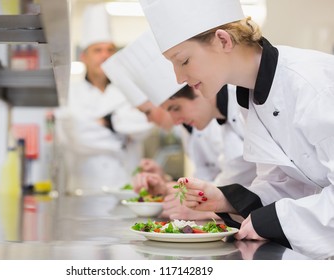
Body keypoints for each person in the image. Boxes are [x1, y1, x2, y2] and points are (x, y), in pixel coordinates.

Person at [139, 0, 334, 259]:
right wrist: (225, 199)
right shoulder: (251, 97)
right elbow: (285, 181)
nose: (178, 78)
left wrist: (273, 220)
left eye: (184, 60)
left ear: (223, 40)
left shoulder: (312, 85)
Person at [103, 30, 256, 221]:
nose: (174, 120)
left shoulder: (243, 109)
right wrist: (167, 186)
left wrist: (208, 210)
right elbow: (216, 183)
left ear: (197, 88)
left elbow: (257, 189)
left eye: (174, 108)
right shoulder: (218, 122)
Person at [54, 4, 151, 194]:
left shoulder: (131, 91)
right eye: (97, 50)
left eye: (110, 50)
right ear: (84, 57)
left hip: (128, 189)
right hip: (85, 190)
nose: (105, 55)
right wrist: (122, 135)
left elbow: (146, 125)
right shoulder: (69, 94)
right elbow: (75, 136)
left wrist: (103, 123)